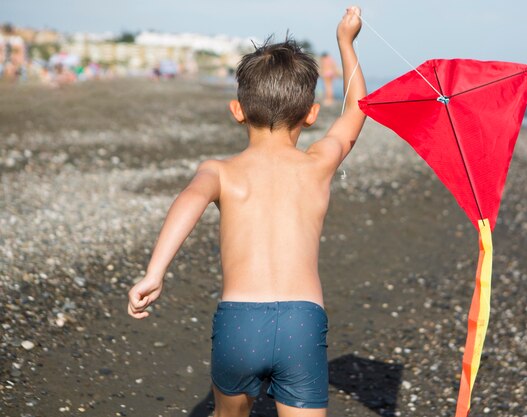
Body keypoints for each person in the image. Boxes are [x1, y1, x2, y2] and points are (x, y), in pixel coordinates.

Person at [127, 6, 366, 417]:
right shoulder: (318, 163)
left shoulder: (220, 171)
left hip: (239, 322)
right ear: (311, 115)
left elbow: (189, 199)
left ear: (237, 111)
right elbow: (357, 108)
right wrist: (346, 42)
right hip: (303, 322)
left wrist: (155, 272)